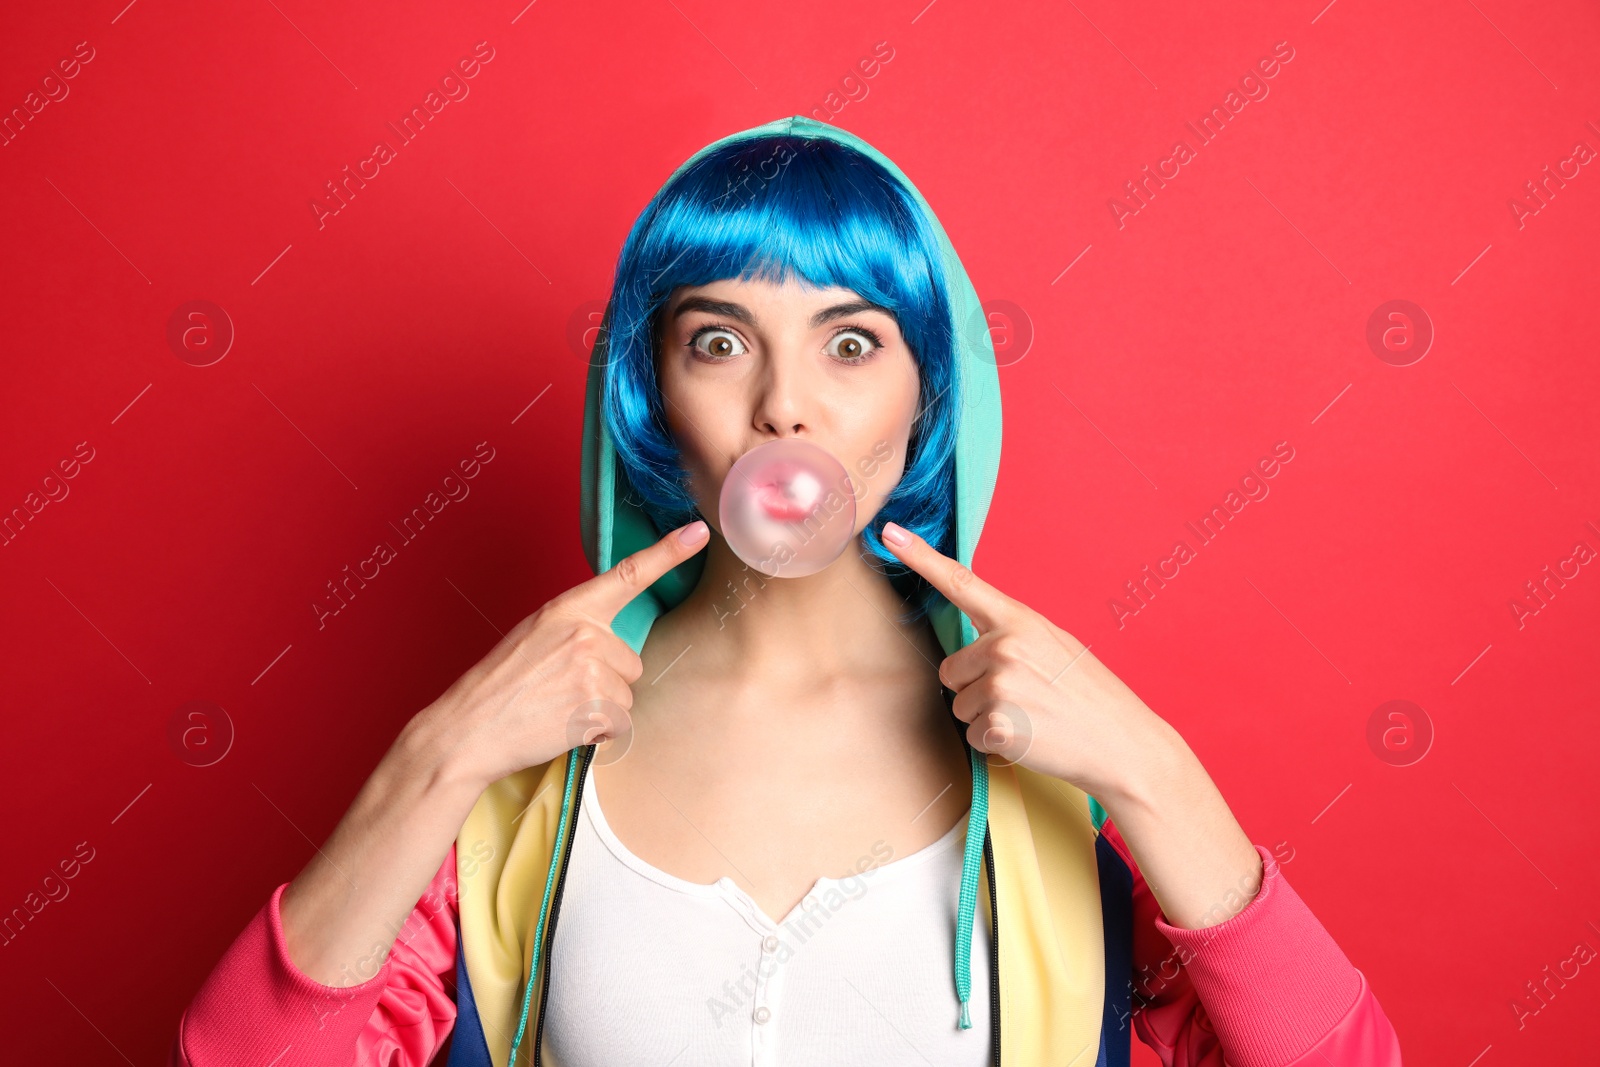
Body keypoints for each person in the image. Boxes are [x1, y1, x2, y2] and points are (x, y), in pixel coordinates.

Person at [169, 115, 1402, 1067]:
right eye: (718, 340)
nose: (784, 405)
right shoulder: (528, 779)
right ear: (653, 395)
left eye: (850, 342)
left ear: (926, 396)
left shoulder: (1043, 775)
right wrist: (435, 756)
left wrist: (1155, 769)